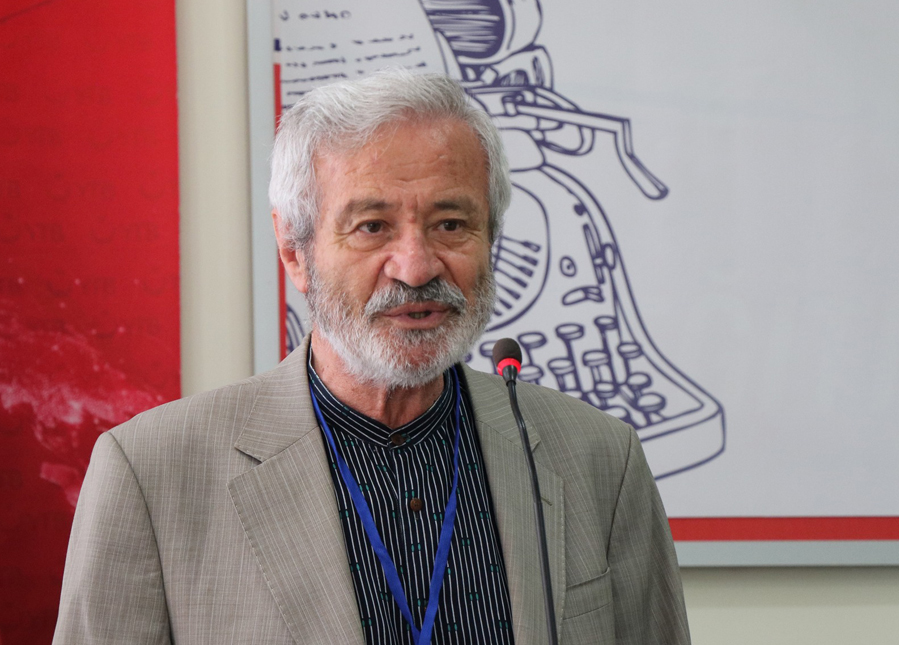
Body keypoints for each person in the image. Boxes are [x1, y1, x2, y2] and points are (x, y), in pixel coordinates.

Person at [54, 69, 690, 644]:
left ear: (490, 236)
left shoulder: (601, 460)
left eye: (450, 224)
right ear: (295, 252)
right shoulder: (151, 473)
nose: (415, 267)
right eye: (372, 226)